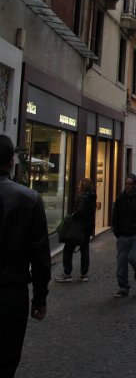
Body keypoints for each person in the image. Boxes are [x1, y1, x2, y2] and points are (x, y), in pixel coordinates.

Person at [0, 134, 51, 377]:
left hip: (12, 292)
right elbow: (40, 256)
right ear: (12, 161)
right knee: (7, 360)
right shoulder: (29, 200)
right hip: (11, 295)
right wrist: (40, 299)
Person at [112, 173, 136, 297]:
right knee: (121, 264)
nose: (127, 186)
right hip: (122, 235)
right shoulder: (120, 199)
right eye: (126, 184)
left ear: (134, 184)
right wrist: (117, 232)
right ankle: (123, 287)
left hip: (135, 236)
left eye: (130, 184)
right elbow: (115, 216)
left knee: (135, 259)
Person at [55, 177, 96, 283]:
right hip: (87, 227)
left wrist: (73, 214)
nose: (78, 186)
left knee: (68, 248)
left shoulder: (83, 197)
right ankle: (84, 274)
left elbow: (80, 210)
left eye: (79, 184)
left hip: (78, 228)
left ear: (83, 186)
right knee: (85, 250)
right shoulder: (92, 196)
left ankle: (67, 274)